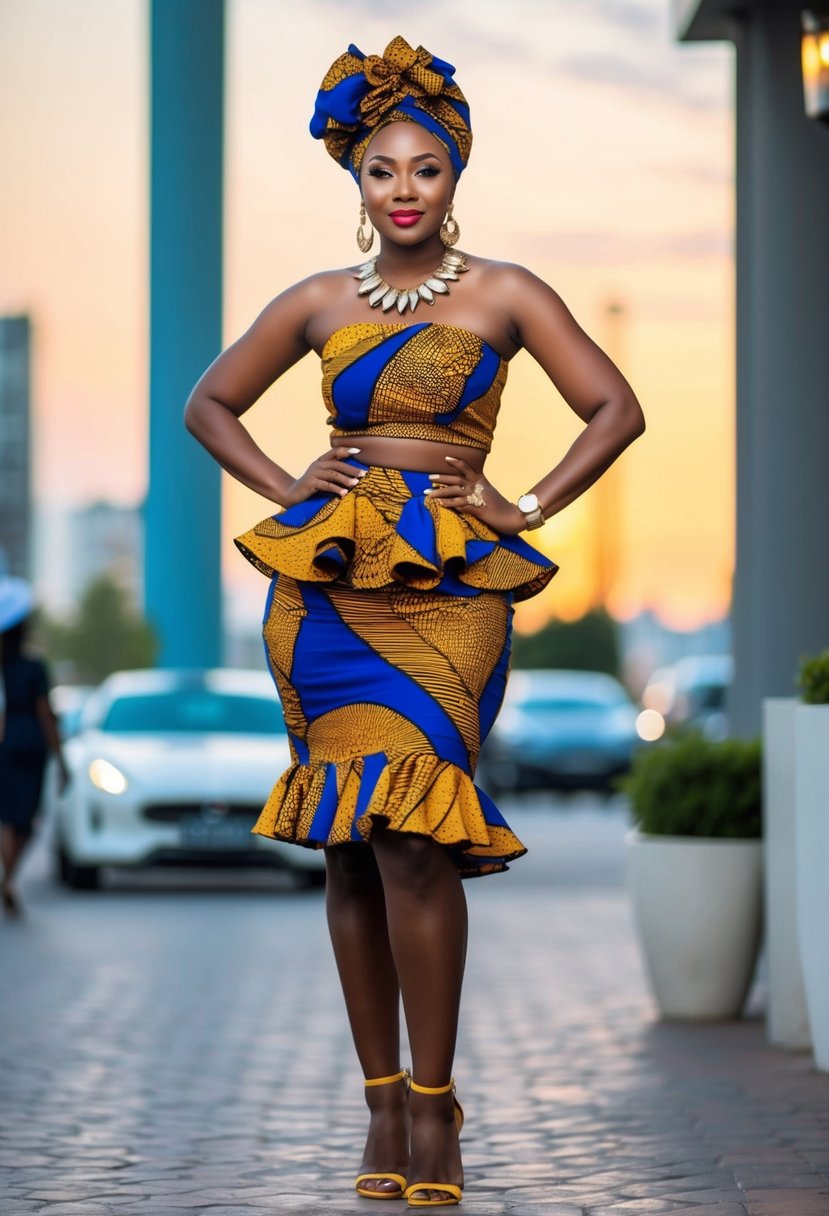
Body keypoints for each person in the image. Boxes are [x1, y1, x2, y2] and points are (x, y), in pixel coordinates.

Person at [184, 35, 645, 1207]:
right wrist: (289, 485)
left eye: (424, 170)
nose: (403, 190)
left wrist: (523, 499)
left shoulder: (505, 292)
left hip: (452, 592)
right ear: (355, 182)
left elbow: (613, 407)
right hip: (323, 594)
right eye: (381, 170)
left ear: (455, 175)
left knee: (414, 838)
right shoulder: (315, 300)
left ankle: (435, 1113)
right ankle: (380, 1103)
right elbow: (209, 404)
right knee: (349, 841)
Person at [0, 577, 71, 917]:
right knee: (27, 819)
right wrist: (62, 759)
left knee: (5, 818)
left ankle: (7, 879)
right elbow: (45, 714)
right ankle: (9, 880)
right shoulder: (34, 666)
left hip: (2, 740)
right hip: (29, 744)